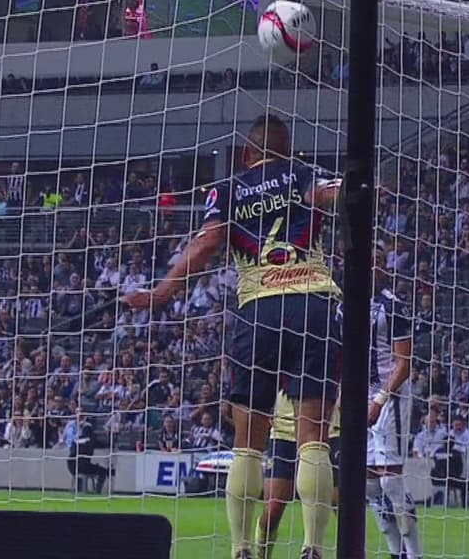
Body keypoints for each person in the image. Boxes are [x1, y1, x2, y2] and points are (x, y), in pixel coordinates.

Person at [124, 114, 343, 559]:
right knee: (314, 439)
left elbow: (206, 244)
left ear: (247, 153)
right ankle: (313, 548)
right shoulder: (302, 174)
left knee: (248, 443)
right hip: (313, 304)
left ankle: (241, 549)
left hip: (258, 309)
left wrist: (162, 292)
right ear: (287, 151)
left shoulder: (228, 190)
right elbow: (330, 194)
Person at [365, 275, 423, 559]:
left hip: (391, 397)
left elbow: (404, 362)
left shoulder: (393, 306)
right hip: (358, 397)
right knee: (370, 485)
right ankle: (395, 553)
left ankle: (414, 555)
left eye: (378, 259)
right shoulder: (343, 306)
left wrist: (380, 400)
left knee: (390, 481)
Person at [256, 390, 342, 559]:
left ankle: (313, 550)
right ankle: (261, 553)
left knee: (342, 507)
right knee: (273, 509)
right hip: (284, 429)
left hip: (329, 428)